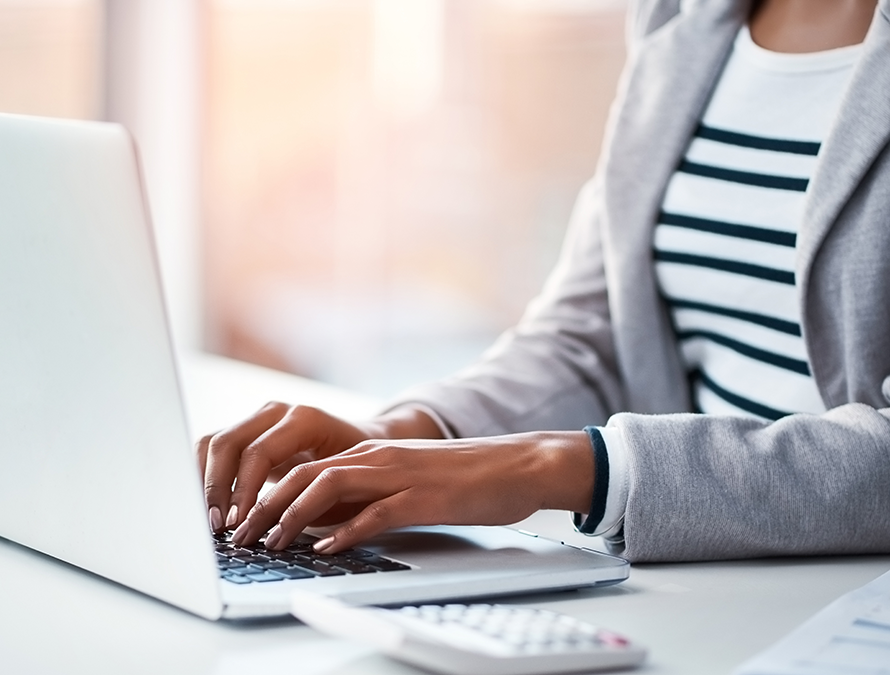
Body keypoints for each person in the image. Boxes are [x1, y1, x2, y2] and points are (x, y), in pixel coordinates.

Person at [196, 0, 890, 562]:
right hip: (712, 577)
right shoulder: (680, 17)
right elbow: (592, 335)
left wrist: (553, 467)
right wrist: (409, 434)